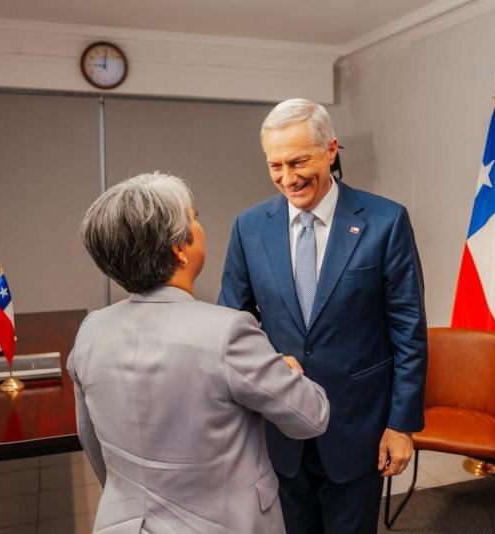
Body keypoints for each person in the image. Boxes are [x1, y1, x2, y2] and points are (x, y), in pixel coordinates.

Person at [68, 172, 330, 534]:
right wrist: (288, 373)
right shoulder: (227, 332)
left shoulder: (90, 332)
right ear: (180, 248)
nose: (200, 225)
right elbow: (311, 417)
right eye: (194, 217)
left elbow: (91, 440)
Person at [219, 99, 427, 533]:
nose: (288, 178)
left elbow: (408, 331)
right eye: (275, 165)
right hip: (279, 429)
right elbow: (230, 322)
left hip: (358, 431)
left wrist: (402, 425)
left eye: (298, 161)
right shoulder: (249, 227)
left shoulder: (386, 222)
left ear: (331, 150)